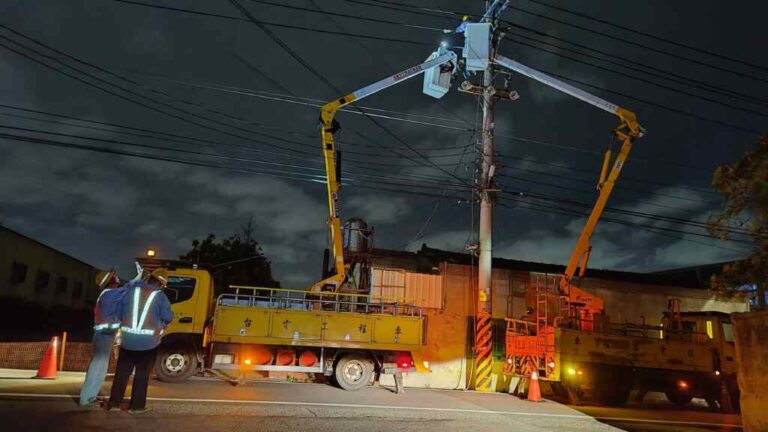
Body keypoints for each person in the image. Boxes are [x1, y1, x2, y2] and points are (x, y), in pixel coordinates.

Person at [107, 269, 173, 414]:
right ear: (161, 284)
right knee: (142, 376)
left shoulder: (130, 291)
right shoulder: (160, 296)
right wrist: (160, 326)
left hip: (127, 341)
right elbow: (168, 317)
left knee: (122, 374)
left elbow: (117, 313)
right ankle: (136, 407)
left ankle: (114, 404)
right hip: (149, 344)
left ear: (149, 279)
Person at [79, 269, 125, 408]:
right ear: (111, 282)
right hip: (104, 335)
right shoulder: (109, 294)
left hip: (105, 334)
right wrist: (139, 280)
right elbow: (127, 290)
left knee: (100, 367)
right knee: (98, 366)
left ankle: (90, 396)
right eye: (115, 278)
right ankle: (85, 398)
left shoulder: (108, 294)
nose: (118, 279)